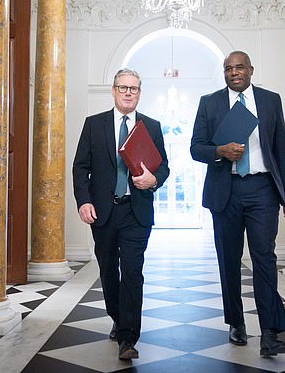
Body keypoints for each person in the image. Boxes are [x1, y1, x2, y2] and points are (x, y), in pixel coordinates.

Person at [190, 51, 285, 357]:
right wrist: (220, 151)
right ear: (224, 73)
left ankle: (271, 332)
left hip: (262, 188)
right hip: (226, 191)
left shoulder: (269, 100)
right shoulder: (209, 103)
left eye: (239, 67)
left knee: (265, 258)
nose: (234, 72)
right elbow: (196, 148)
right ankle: (236, 322)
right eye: (228, 69)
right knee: (229, 260)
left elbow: (281, 149)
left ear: (250, 69)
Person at [73, 68, 169, 360]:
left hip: (136, 211)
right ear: (113, 91)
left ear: (140, 93)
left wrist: (154, 180)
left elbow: (163, 166)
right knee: (108, 272)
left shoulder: (151, 126)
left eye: (134, 88)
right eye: (123, 87)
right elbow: (80, 167)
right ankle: (117, 316)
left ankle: (128, 337)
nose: (128, 92)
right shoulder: (94, 124)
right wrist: (84, 201)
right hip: (103, 212)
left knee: (132, 272)